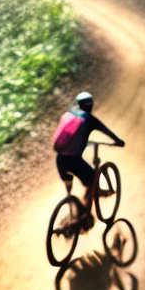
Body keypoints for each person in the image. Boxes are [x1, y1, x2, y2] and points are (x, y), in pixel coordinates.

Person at [52, 91, 124, 225]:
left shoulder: (70, 113)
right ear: (91, 105)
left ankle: (72, 206)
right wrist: (118, 141)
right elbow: (106, 131)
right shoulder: (90, 120)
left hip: (60, 158)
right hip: (73, 160)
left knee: (70, 183)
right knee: (91, 180)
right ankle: (85, 215)